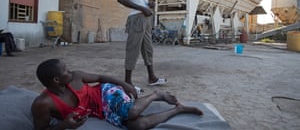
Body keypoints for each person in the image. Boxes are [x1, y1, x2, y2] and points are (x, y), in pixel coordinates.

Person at [31, 59, 203, 130]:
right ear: (56, 80)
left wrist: (125, 84)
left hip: (105, 92)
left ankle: (155, 94)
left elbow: (100, 77)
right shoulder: (43, 104)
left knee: (132, 112)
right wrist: (63, 125)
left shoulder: (75, 77)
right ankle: (177, 110)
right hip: (101, 111)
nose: (70, 72)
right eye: (65, 71)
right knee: (137, 126)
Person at [117, 0, 167, 89]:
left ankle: (152, 77)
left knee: (147, 49)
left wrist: (147, 4)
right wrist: (142, 8)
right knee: (133, 49)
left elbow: (138, 1)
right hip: (137, 18)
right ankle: (127, 83)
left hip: (144, 19)